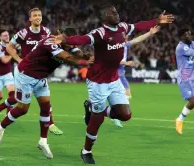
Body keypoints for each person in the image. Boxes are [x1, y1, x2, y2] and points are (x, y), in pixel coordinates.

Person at [54, 5, 174, 164]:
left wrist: (157, 20)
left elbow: (138, 26)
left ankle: (91, 107)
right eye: (112, 13)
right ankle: (86, 151)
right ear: (104, 17)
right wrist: (65, 40)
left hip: (114, 79)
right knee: (97, 120)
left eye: (116, 12)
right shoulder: (99, 33)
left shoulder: (123, 27)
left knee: (125, 115)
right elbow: (82, 39)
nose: (116, 14)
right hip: (98, 81)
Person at [0, 35, 92, 159]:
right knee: (23, 109)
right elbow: (66, 58)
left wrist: (88, 56)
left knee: (46, 107)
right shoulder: (50, 43)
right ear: (63, 40)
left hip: (41, 77)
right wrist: (85, 62)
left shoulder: (68, 46)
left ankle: (43, 141)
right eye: (70, 43)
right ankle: (0, 126)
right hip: (27, 76)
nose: (72, 46)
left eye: (74, 44)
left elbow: (77, 53)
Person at [5, 7, 63, 135]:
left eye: (39, 15)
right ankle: (4, 114)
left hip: (39, 71)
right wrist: (18, 59)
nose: (38, 17)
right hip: (25, 71)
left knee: (45, 101)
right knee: (22, 104)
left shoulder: (46, 31)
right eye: (35, 15)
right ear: (30, 19)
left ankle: (51, 124)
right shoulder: (23, 33)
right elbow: (9, 47)